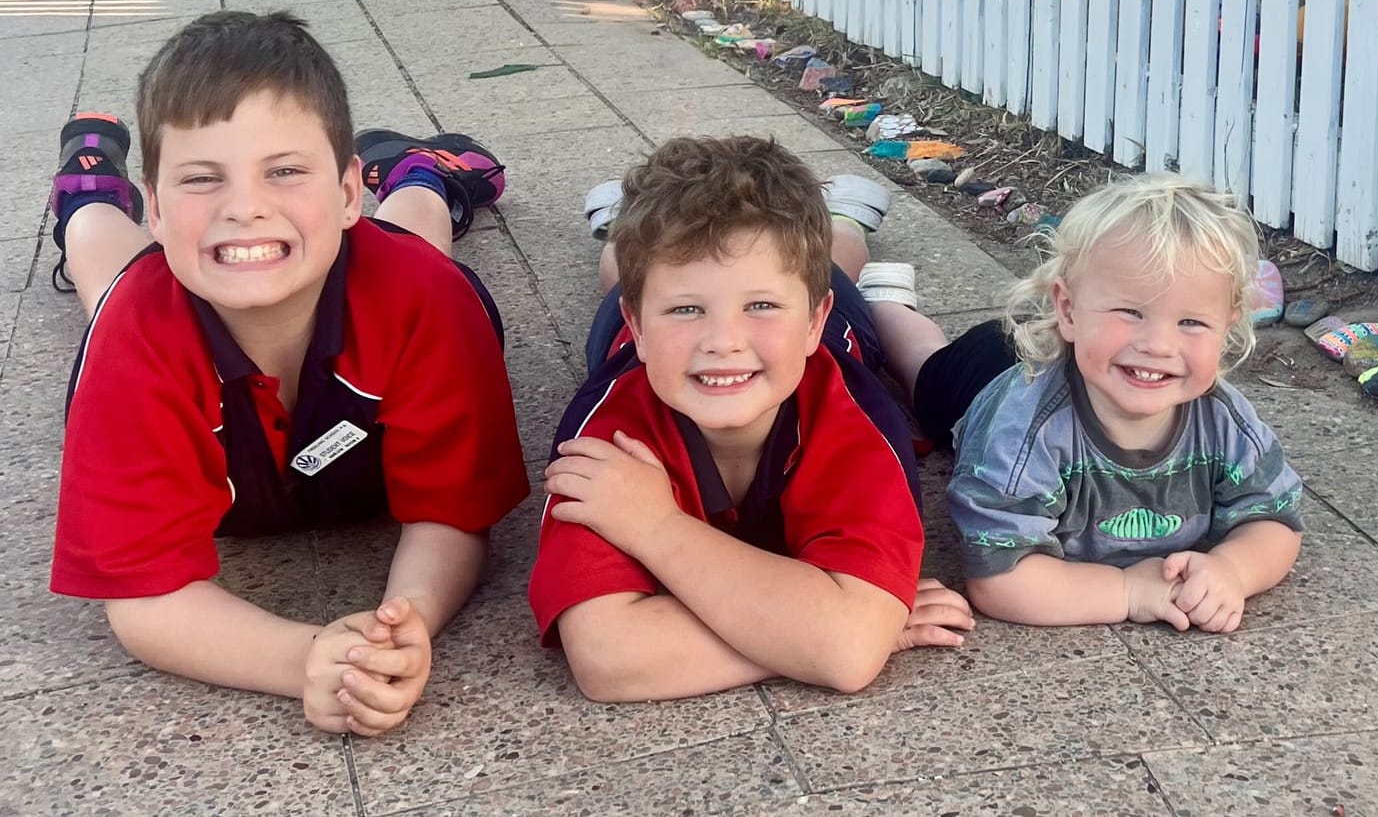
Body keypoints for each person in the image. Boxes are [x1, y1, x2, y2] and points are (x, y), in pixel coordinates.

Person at [46, 10, 528, 736]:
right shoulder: (137, 338)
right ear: (158, 200)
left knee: (413, 239)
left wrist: (404, 626)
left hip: (388, 265)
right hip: (156, 284)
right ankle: (89, 186)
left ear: (343, 191)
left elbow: (453, 516)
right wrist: (305, 660)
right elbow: (143, 596)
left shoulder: (423, 299)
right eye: (202, 177)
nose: (243, 206)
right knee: (104, 267)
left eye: (284, 170)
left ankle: (421, 175)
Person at [529, 137, 973, 701]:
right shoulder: (606, 435)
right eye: (686, 310)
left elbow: (848, 650)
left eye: (760, 306)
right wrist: (821, 630)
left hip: (835, 326)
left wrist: (655, 528)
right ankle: (619, 229)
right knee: (626, 271)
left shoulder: (854, 416)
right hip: (623, 344)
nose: (723, 342)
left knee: (834, 262)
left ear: (812, 323)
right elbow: (609, 659)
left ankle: (847, 219)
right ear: (640, 328)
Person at [873, 173, 1305, 632]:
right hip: (985, 372)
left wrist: (1233, 569)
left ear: (1228, 327)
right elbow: (1000, 578)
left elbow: (1275, 520)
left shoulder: (1225, 419)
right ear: (1067, 310)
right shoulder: (1021, 433)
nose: (1158, 344)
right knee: (922, 372)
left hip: (1085, 356)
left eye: (1192, 321)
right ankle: (886, 306)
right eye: (1130, 311)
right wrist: (1128, 591)